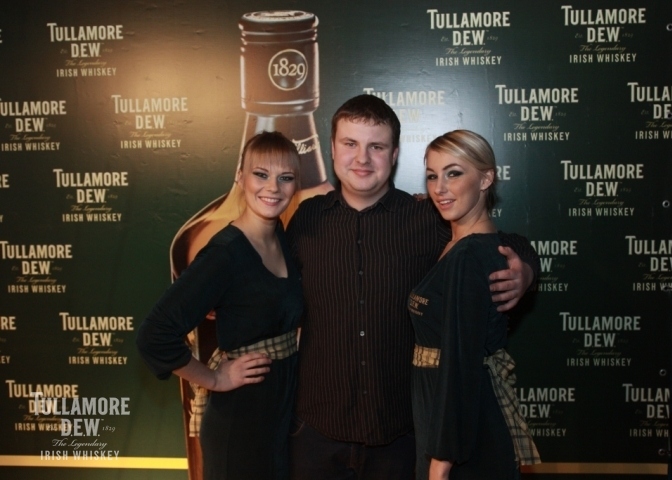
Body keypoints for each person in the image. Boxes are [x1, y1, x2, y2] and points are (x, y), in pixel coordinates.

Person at [287, 95, 539, 479]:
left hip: (403, 437)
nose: (362, 158)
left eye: (376, 146)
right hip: (316, 434)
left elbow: (494, 239)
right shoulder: (307, 218)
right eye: (350, 143)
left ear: (394, 154)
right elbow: (270, 278)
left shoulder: (428, 217)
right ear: (332, 148)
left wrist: (527, 270)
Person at [136, 131, 304, 480]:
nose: (273, 187)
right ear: (239, 177)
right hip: (239, 424)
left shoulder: (282, 238)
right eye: (261, 174)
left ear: (295, 185)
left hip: (278, 420)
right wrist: (214, 378)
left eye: (285, 177)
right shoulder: (224, 253)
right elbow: (155, 335)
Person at [410, 130, 540, 480]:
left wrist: (441, 461)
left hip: (460, 433)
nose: (440, 188)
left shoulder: (470, 254)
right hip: (451, 417)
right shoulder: (458, 244)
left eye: (453, 173)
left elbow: (461, 362)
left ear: (485, 179)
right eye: (432, 176)